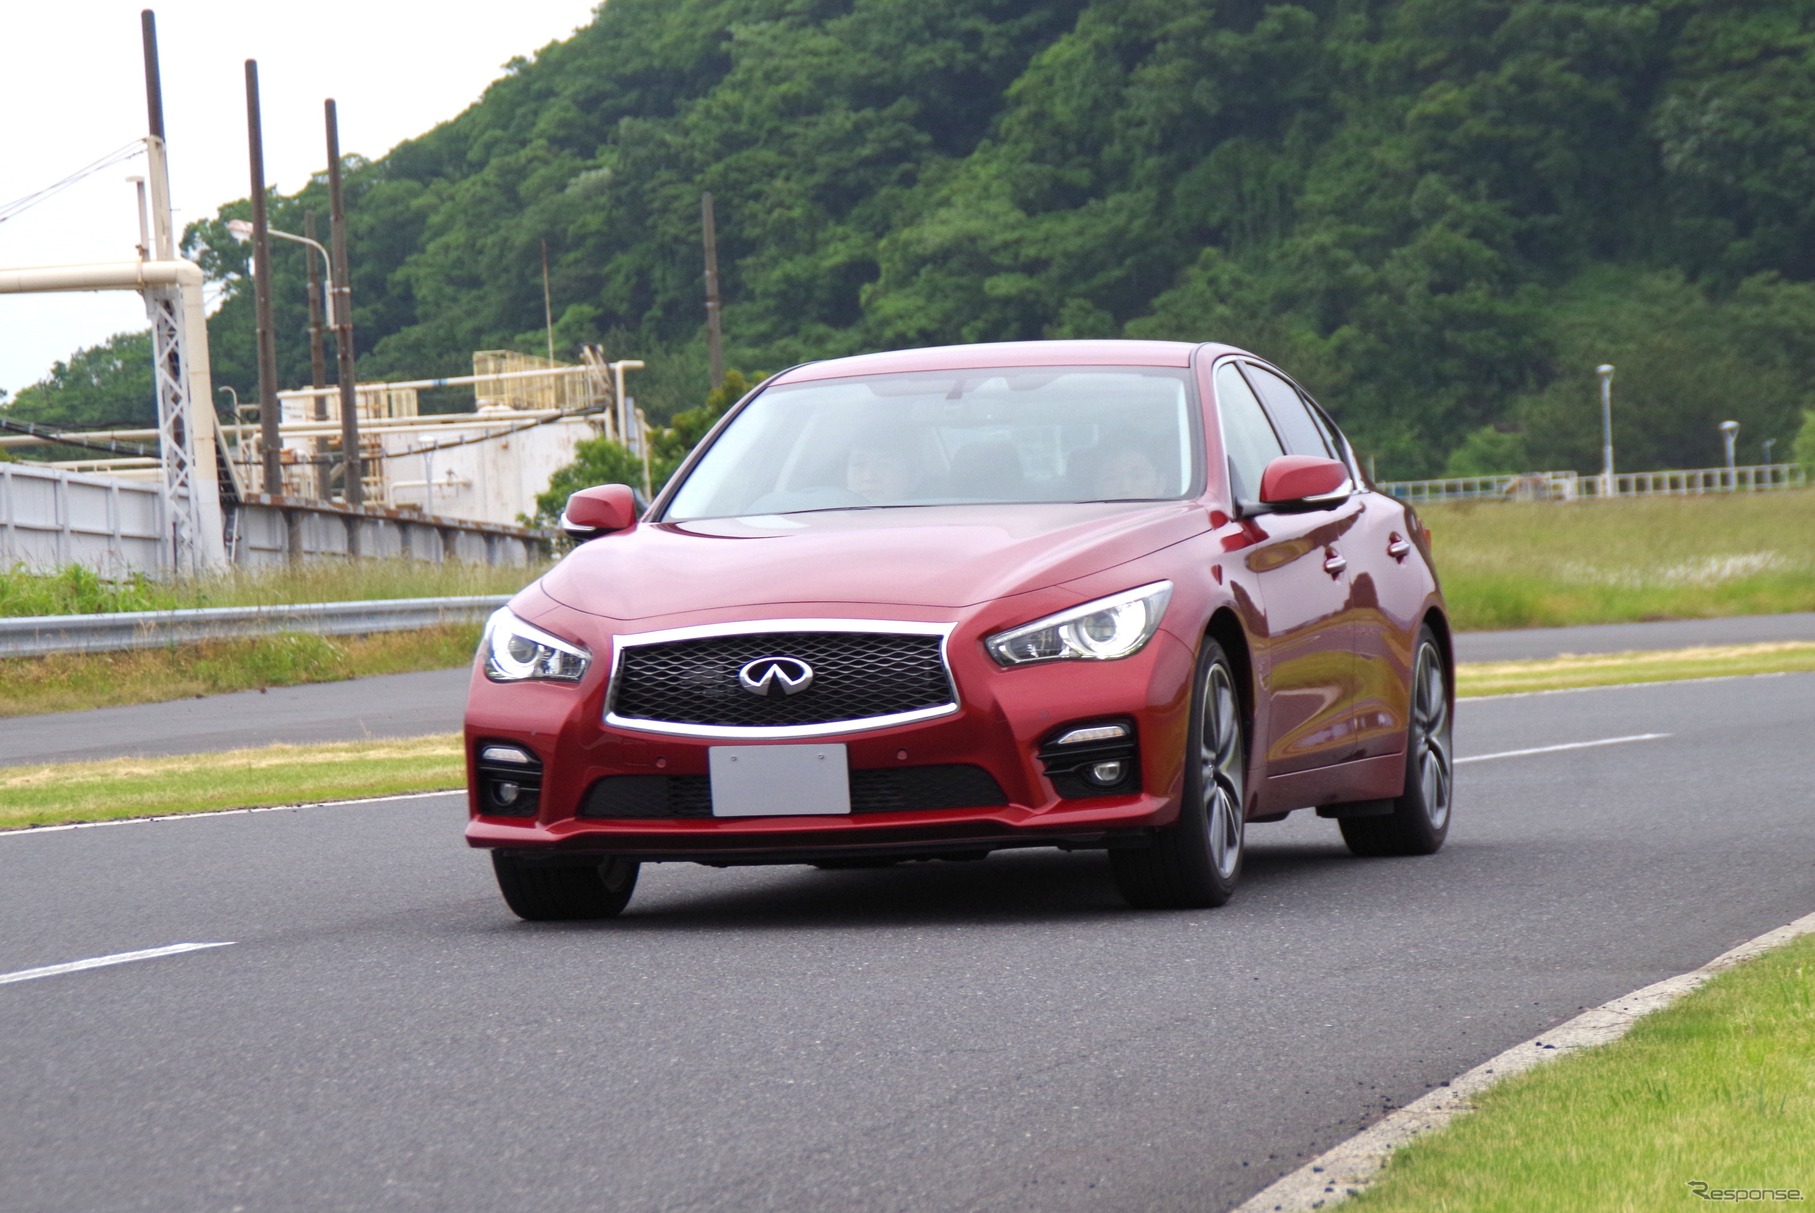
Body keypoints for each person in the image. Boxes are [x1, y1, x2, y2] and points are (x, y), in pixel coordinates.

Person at [845, 435, 918, 503]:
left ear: (910, 477)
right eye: (859, 464)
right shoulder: (835, 516)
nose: (869, 477)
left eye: (884, 465)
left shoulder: (926, 515)